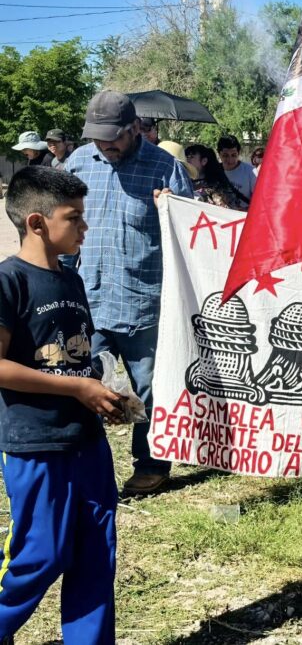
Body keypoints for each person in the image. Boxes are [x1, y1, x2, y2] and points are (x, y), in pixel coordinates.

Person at [0, 166, 125, 642]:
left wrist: (102, 393)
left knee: (97, 553)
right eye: (74, 218)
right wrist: (77, 389)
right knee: (40, 554)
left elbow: (74, 358)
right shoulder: (10, 282)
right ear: (36, 222)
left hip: (86, 443)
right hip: (35, 443)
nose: (84, 227)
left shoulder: (71, 282)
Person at [65, 90, 195, 496]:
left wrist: (172, 210)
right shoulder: (77, 164)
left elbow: (189, 237)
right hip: (90, 301)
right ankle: (83, 461)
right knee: (81, 383)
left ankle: (151, 465)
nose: (105, 144)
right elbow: (62, 230)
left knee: (150, 389)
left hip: (145, 305)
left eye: (113, 136)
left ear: (135, 127)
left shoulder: (166, 170)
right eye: (98, 136)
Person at [183, 144, 247, 210]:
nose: (187, 160)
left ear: (204, 161)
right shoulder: (184, 183)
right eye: (186, 157)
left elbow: (227, 212)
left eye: (191, 157)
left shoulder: (216, 187)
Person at [217, 135, 257, 202]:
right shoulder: (213, 171)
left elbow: (257, 200)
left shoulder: (251, 172)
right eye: (225, 155)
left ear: (239, 153)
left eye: (234, 155)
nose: (230, 160)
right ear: (219, 154)